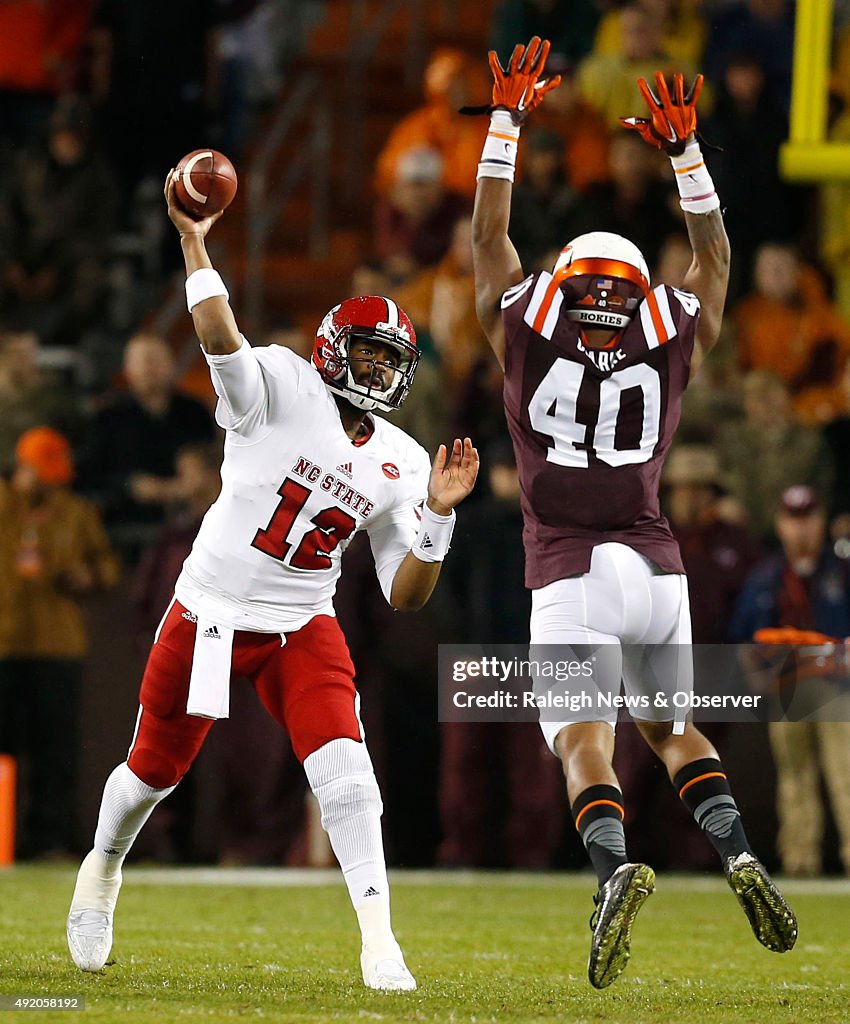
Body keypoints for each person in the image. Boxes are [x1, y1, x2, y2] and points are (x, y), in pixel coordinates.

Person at [65, 168, 479, 991]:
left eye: (389, 359)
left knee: (347, 771)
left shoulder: (400, 459)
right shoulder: (282, 385)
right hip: (210, 610)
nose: (378, 370)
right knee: (153, 770)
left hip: (299, 623)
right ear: (331, 348)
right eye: (365, 352)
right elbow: (220, 337)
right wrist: (194, 242)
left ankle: (379, 939)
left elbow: (406, 595)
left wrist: (436, 515)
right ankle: (103, 868)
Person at [470, 38, 797, 988]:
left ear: (564, 283)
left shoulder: (529, 324)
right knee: (672, 729)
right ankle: (736, 852)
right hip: (658, 568)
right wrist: (686, 156)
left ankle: (614, 873)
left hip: (568, 567)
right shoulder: (673, 330)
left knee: (583, 739)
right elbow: (715, 254)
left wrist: (506, 124)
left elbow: (489, 241)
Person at [0, 426, 119, 858]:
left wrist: (92, 577)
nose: (51, 481)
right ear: (22, 467)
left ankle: (48, 841)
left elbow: (106, 564)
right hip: (4, 645)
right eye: (42, 472)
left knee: (55, 753)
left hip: (57, 646)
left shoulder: (74, 512)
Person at [729, 485, 850, 877]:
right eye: (793, 521)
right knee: (794, 777)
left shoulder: (842, 569)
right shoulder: (767, 574)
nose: (801, 530)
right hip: (789, 686)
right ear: (781, 524)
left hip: (837, 687)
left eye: (808, 520)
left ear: (821, 523)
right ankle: (800, 859)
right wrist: (757, 681)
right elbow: (745, 636)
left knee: (844, 771)